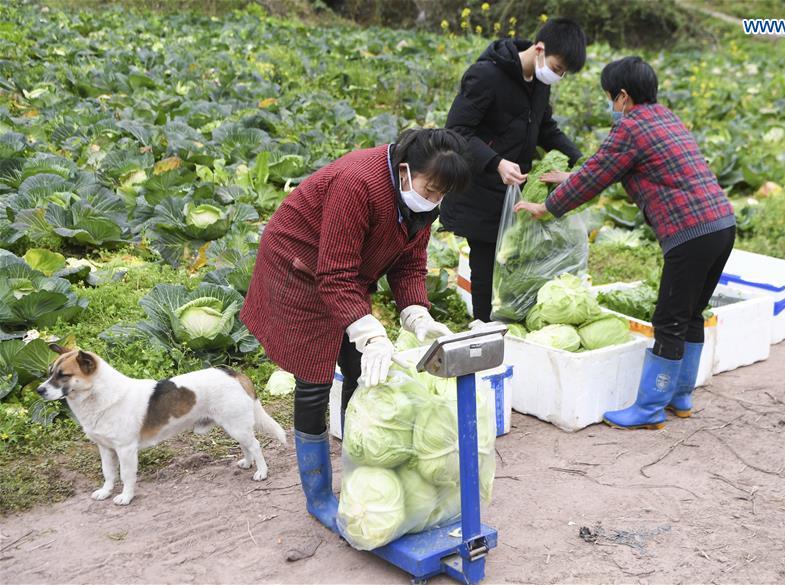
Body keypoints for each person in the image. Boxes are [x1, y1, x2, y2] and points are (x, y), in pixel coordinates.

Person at [240, 128, 471, 530]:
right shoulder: (358, 183)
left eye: (442, 195)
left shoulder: (421, 202)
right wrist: (370, 332)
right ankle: (318, 497)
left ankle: (359, 463)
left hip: (343, 273)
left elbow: (409, 262)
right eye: (431, 190)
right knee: (313, 378)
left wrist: (416, 312)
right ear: (404, 171)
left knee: (363, 369)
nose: (434, 201)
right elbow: (334, 273)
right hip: (299, 267)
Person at [516, 56, 735, 430]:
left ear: (622, 96)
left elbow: (598, 176)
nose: (610, 105)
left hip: (690, 235)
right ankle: (680, 398)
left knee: (667, 319)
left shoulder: (631, 128)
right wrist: (570, 175)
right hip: (721, 226)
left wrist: (546, 207)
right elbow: (610, 168)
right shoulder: (665, 118)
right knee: (691, 312)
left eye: (608, 97)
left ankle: (649, 409)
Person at [440, 18, 587, 322]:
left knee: (512, 263)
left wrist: (581, 160)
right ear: (540, 49)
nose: (557, 76)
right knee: (485, 265)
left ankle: (507, 326)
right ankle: (483, 331)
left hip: (515, 190)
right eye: (557, 68)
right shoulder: (486, 76)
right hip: (478, 188)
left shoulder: (539, 84)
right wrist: (495, 162)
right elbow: (456, 131)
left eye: (563, 73)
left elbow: (546, 129)